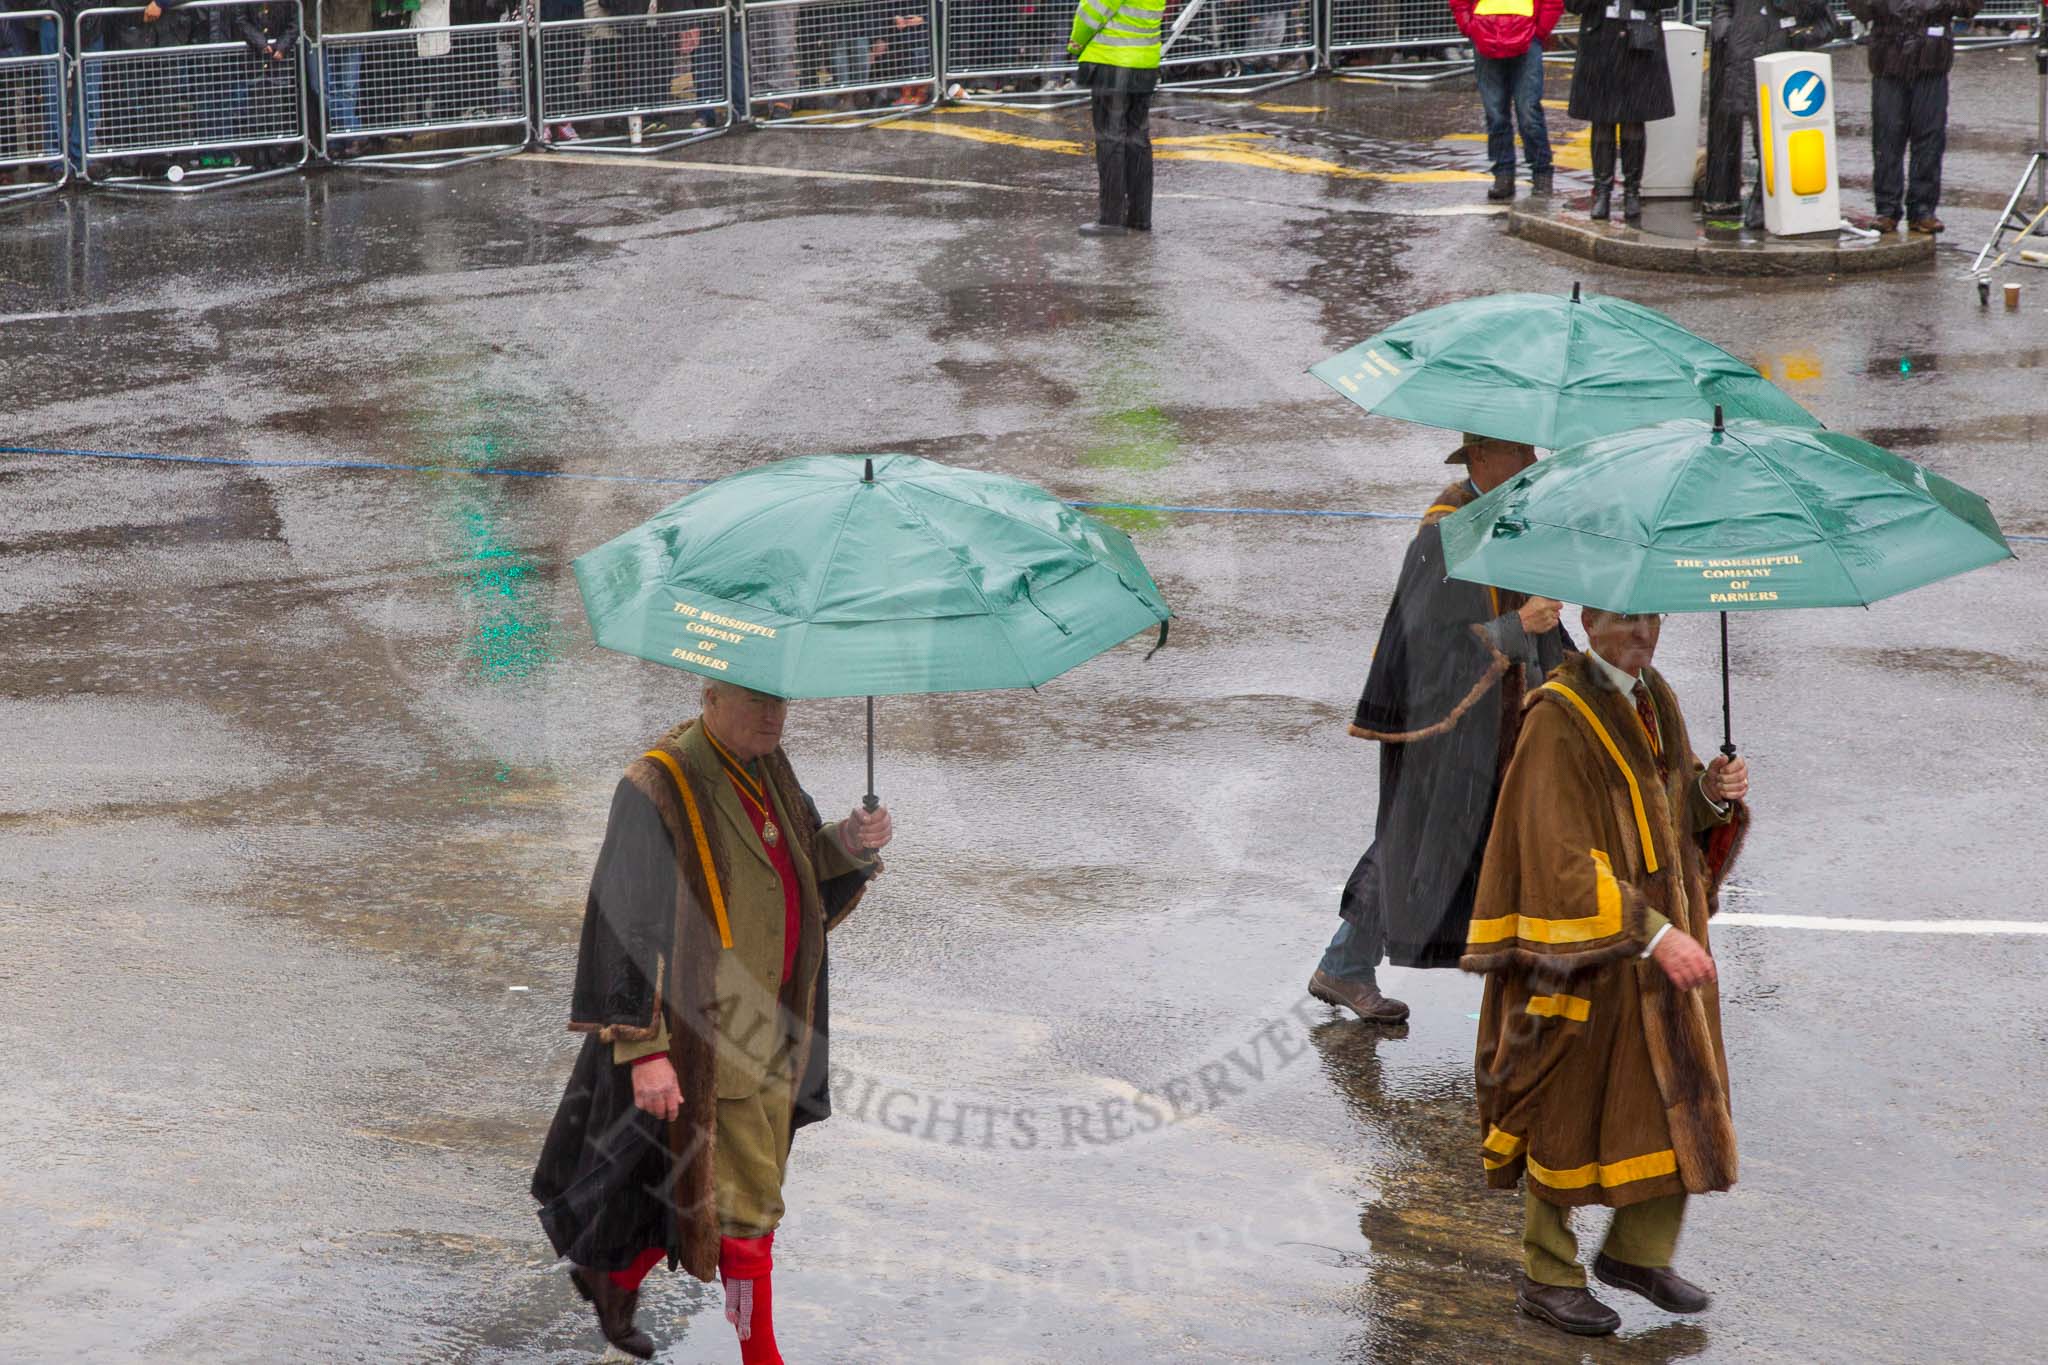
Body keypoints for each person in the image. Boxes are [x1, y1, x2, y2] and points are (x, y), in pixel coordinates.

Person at [531, 680, 891, 1363]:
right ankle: (762, 1352)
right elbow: (623, 922)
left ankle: (613, 1276)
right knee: (750, 1205)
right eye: (755, 700)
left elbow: (798, 871)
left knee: (667, 1181)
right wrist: (646, 1052)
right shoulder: (657, 784)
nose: (773, 715)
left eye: (781, 701)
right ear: (710, 693)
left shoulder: (766, 767)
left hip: (774, 1026)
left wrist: (848, 840)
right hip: (704, 1038)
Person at [1462, 607, 1750, 1337]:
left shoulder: (1656, 697)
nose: (1640, 631)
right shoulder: (1555, 717)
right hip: (1582, 956)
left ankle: (1637, 1252)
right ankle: (1547, 1273)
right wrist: (1652, 934)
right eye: (1622, 618)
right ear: (1588, 619)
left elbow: (1669, 811)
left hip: (1654, 953)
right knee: (1560, 1103)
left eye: (1649, 616)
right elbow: (1557, 857)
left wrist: (1713, 792)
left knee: (1668, 1092)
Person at [1310, 435, 1571, 1025]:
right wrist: (1513, 627)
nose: (1531, 464)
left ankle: (1525, 981)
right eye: (1517, 454)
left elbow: (1533, 627)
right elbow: (1423, 647)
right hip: (1443, 728)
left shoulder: (1504, 523)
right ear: (1480, 460)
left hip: (1501, 723)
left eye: (1531, 454)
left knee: (1492, 841)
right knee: (1415, 845)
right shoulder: (1444, 534)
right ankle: (1345, 965)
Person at [1702, 0, 1840, 228]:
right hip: (1746, 56)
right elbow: (1722, 6)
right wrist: (1727, 30)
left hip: (1784, 63)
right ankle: (1765, 194)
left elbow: (1826, 22)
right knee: (1761, 132)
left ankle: (1767, 196)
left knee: (1779, 134)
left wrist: (1796, 35)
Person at [1847, 0, 1980, 235]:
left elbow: (1969, 6)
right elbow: (1860, 9)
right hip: (1888, 59)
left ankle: (1923, 209)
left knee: (1929, 136)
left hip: (1931, 60)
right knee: (1887, 137)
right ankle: (1887, 208)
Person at [1564, 0, 1673, 224]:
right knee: (1602, 120)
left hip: (1639, 41)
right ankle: (1602, 190)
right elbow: (1573, 5)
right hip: (1600, 42)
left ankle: (1632, 190)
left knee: (1634, 120)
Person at [1449, 0, 1562, 202]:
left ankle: (1531, 172)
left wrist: (1470, 26)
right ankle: (1514, 173)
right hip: (1494, 34)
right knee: (1501, 113)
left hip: (1508, 35)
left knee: (1523, 112)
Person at [1067, 0, 1160, 236]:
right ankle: (1139, 217)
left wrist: (1076, 44)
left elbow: (1092, 10)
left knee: (1110, 140)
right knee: (1138, 141)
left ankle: (1111, 218)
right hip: (1145, 62)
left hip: (1111, 62)